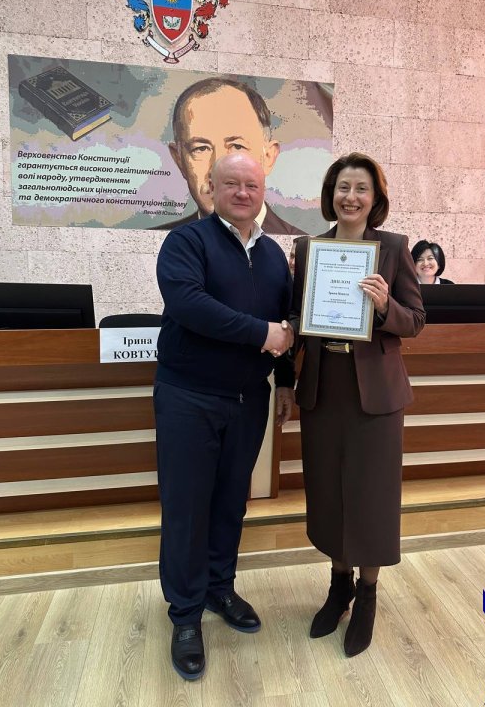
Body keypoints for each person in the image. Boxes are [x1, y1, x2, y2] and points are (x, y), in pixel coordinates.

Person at [154, 152, 295, 680]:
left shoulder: (274, 255)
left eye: (251, 185)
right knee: (187, 509)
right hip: (188, 397)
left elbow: (287, 325)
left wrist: (286, 381)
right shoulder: (186, 242)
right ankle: (185, 615)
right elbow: (188, 304)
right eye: (231, 183)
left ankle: (219, 589)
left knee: (231, 503)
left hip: (248, 400)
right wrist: (260, 334)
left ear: (263, 193)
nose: (242, 192)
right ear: (211, 188)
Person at [290, 152, 425, 657]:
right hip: (324, 388)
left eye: (361, 188)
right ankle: (338, 586)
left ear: (375, 198)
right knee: (329, 492)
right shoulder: (309, 249)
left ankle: (367, 595)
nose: (351, 197)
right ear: (331, 195)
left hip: (376, 395)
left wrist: (386, 305)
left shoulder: (393, 248)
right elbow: (296, 316)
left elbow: (416, 320)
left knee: (370, 497)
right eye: (342, 187)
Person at [155, 76, 305, 235]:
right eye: (201, 148)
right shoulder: (172, 241)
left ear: (268, 157)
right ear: (179, 160)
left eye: (237, 146)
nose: (218, 170)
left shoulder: (296, 244)